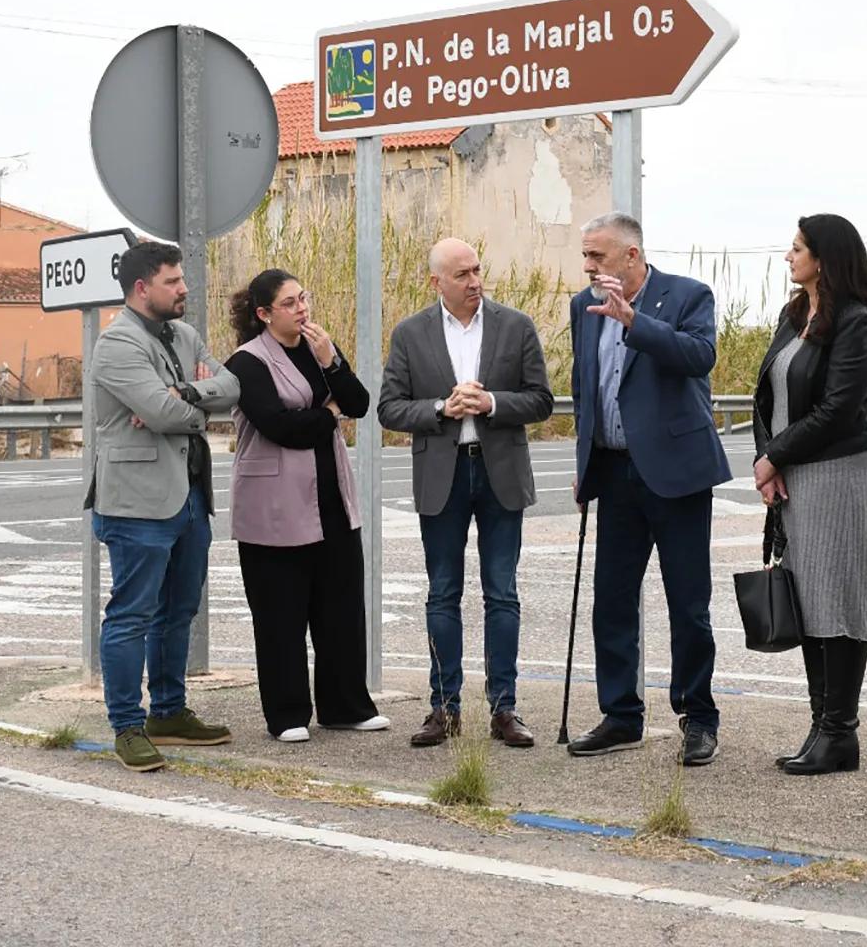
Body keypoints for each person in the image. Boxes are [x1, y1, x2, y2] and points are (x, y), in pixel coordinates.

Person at [565, 212, 730, 766]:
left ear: (632, 257)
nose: (589, 266)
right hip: (612, 473)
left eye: (599, 257)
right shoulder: (580, 307)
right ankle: (620, 715)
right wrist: (582, 460)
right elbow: (583, 387)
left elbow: (699, 357)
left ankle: (698, 716)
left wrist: (634, 321)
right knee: (610, 600)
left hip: (676, 473)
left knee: (688, 604)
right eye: (586, 256)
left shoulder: (687, 295)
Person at [380, 239, 555, 748]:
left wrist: (492, 402)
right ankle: (444, 708)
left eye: (478, 268)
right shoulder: (411, 333)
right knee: (442, 593)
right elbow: (390, 408)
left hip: (499, 472)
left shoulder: (515, 325)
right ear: (437, 282)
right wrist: (441, 409)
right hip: (443, 473)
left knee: (502, 593)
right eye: (462, 274)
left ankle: (505, 709)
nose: (475, 281)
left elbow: (542, 400)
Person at [85, 240, 242, 773]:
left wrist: (186, 394)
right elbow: (158, 411)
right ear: (141, 288)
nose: (184, 288)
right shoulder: (116, 344)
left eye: (182, 279)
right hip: (136, 503)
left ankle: (169, 712)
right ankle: (127, 726)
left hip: (190, 497)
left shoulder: (185, 335)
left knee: (179, 612)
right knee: (131, 615)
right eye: (173, 281)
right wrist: (189, 403)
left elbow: (231, 385)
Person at [224, 268, 389, 743]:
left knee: (340, 607)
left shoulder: (318, 351)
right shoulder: (246, 363)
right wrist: (327, 413)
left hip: (330, 497)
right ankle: (287, 714)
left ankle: (346, 706)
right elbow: (282, 427)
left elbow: (357, 403)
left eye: (304, 297)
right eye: (290, 302)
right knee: (280, 612)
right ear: (263, 314)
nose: (303, 308)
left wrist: (332, 362)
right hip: (272, 505)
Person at [751, 214, 867, 776]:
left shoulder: (856, 322)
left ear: (825, 257)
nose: (788, 256)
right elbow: (765, 396)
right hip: (795, 471)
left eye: (797, 248)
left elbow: (838, 411)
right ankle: (820, 726)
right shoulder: (794, 314)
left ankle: (840, 732)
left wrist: (775, 455)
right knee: (809, 598)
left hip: (838, 471)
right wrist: (769, 459)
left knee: (839, 598)